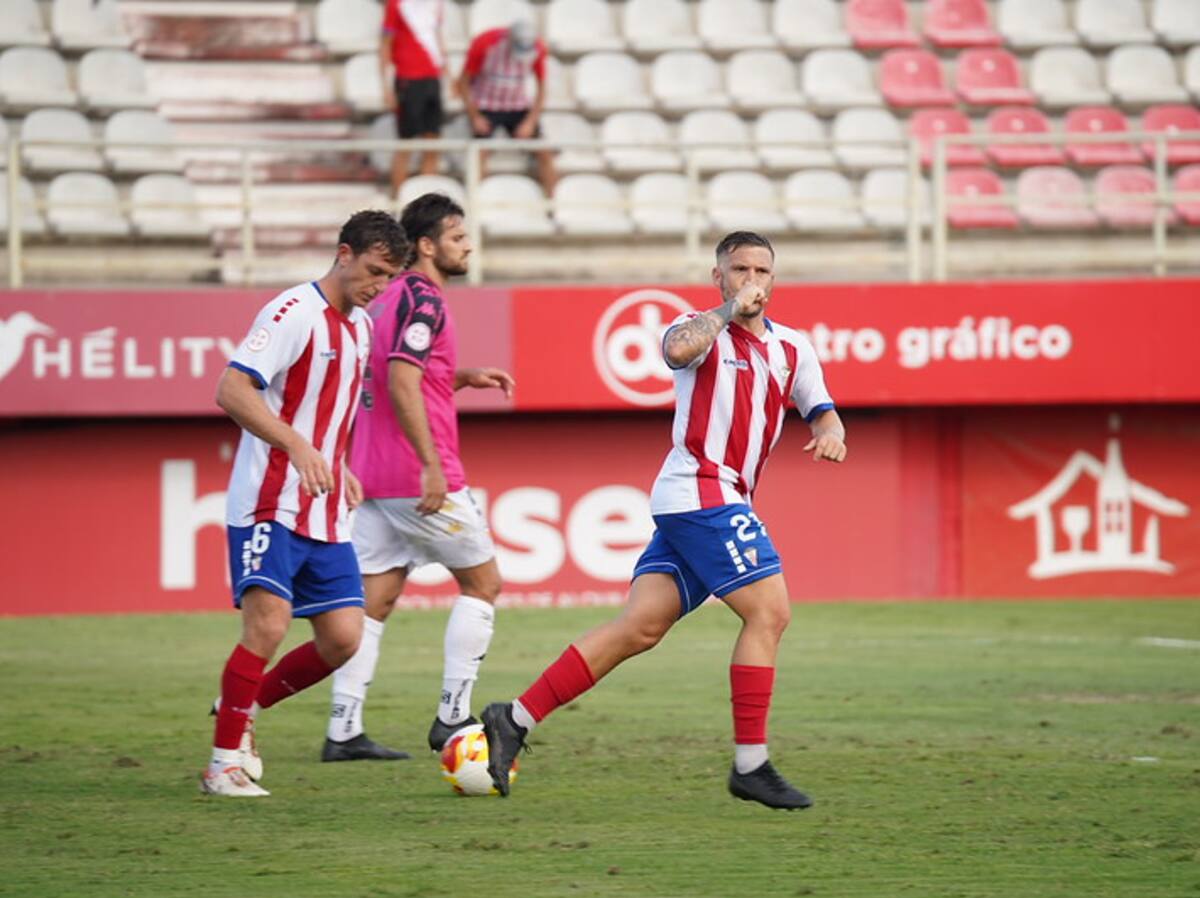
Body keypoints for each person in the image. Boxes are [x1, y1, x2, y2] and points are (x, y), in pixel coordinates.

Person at [480, 232, 847, 810]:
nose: (753, 279)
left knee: (639, 628)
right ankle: (751, 765)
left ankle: (513, 719)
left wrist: (830, 432)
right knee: (771, 613)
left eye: (762, 271)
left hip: (718, 501)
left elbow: (820, 407)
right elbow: (676, 352)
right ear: (718, 276)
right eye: (740, 269)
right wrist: (729, 312)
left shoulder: (793, 348)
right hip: (701, 492)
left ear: (776, 279)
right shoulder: (699, 328)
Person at [201, 210, 408, 797]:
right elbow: (231, 388)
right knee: (267, 626)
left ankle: (237, 711)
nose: (377, 286)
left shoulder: (362, 326)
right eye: (372, 272)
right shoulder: (292, 313)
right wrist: (296, 446)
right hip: (270, 499)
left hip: (323, 507)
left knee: (344, 637)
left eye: (387, 279)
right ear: (344, 254)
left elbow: (325, 408)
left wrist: (336, 464)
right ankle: (222, 766)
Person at [321, 192, 516, 762]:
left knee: (374, 602)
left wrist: (462, 376)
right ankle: (452, 717)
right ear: (427, 245)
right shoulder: (425, 299)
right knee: (483, 584)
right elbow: (403, 380)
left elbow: (400, 375)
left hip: (374, 475)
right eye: (457, 238)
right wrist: (431, 463)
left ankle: (343, 729)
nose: (467, 246)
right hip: (417, 475)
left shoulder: (384, 298)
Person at [456, 19, 557, 196]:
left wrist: (530, 122)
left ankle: (553, 206)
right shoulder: (484, 44)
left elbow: (542, 89)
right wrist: (475, 117)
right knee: (478, 154)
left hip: (517, 105)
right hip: (486, 105)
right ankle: (476, 204)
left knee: (544, 152)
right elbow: (463, 83)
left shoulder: (538, 49)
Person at [380, 0, 446, 197]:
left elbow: (436, 37)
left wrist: (447, 72)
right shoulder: (396, 5)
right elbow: (385, 45)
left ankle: (426, 201)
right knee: (406, 143)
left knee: (432, 142)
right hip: (408, 78)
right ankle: (398, 199)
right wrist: (386, 86)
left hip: (432, 77)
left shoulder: (436, 4)